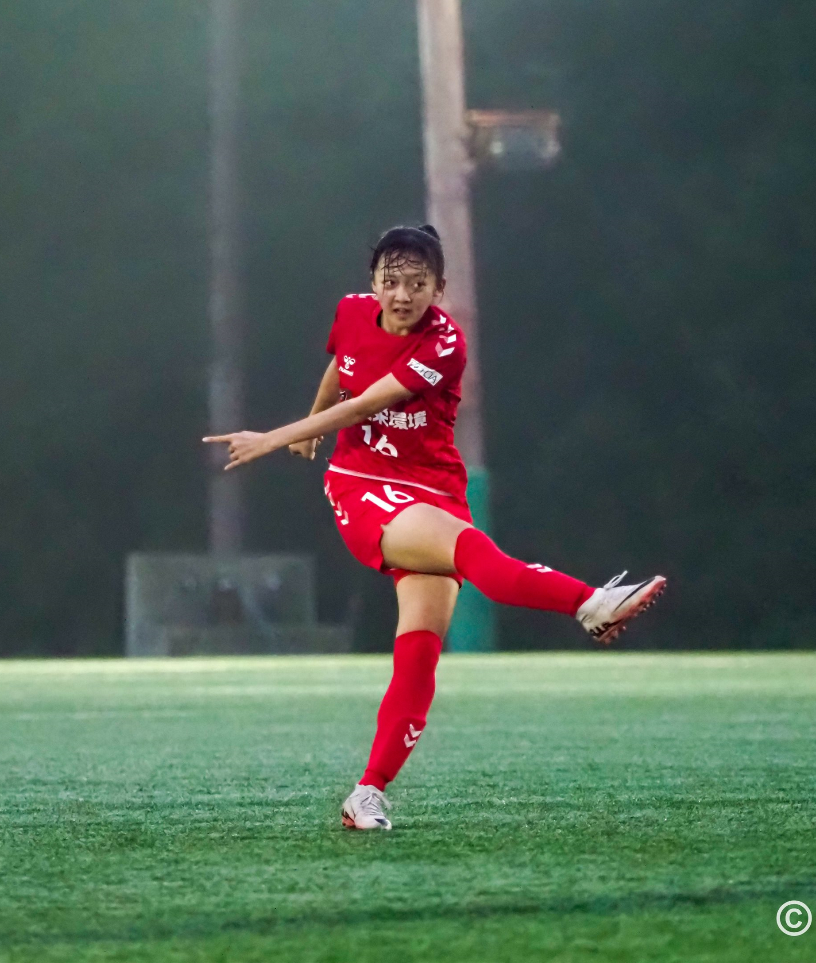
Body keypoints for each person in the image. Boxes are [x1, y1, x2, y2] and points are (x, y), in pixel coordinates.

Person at [204, 224, 665, 831]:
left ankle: (366, 793)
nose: (402, 295)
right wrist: (314, 424)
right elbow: (342, 370)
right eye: (390, 282)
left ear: (439, 290)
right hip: (363, 485)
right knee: (477, 557)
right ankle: (590, 603)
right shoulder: (350, 313)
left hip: (434, 486)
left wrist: (273, 437)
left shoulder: (445, 342)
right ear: (372, 283)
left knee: (419, 658)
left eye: (417, 284)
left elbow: (368, 401)